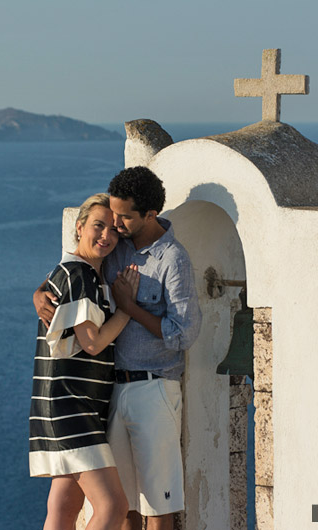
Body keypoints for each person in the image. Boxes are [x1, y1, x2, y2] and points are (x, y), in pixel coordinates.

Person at [35, 167, 201, 530]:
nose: (115, 226)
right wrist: (39, 292)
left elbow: (184, 334)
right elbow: (75, 271)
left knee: (158, 504)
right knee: (122, 507)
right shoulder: (116, 247)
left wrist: (131, 306)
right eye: (109, 219)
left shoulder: (173, 260)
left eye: (123, 218)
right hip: (110, 393)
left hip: (154, 387)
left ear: (150, 215)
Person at [30, 193, 139, 530]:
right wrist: (126, 309)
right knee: (112, 506)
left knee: (65, 505)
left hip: (60, 404)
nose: (106, 236)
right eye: (97, 226)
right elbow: (92, 343)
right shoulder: (80, 275)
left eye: (113, 230)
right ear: (79, 228)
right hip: (71, 407)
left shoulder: (78, 274)